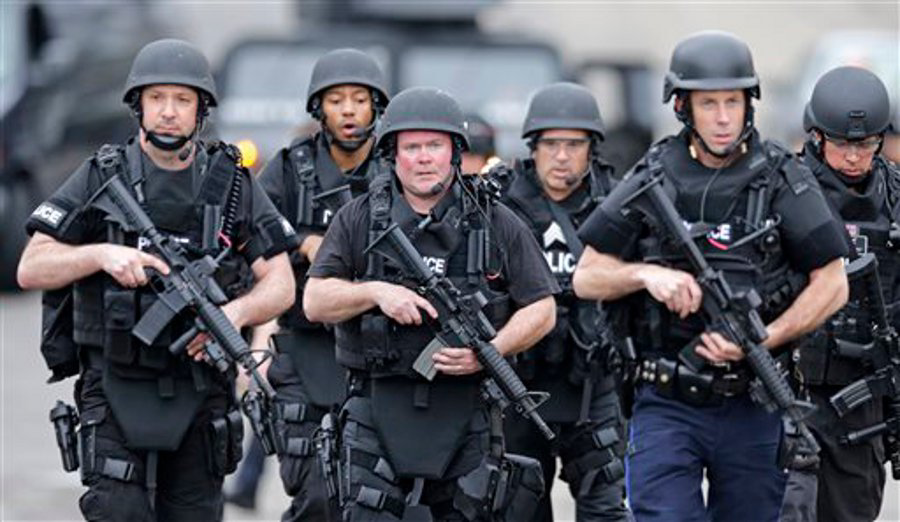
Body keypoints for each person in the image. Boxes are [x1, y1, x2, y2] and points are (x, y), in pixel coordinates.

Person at [571, 30, 850, 522]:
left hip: (752, 400)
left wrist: (764, 338)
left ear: (749, 104)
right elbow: (587, 276)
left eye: (733, 102)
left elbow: (833, 281)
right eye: (708, 103)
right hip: (667, 401)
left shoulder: (781, 176)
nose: (723, 117)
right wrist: (646, 276)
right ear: (683, 107)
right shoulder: (654, 173)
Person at [17, 38, 296, 521]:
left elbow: (282, 282)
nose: (169, 112)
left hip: (201, 389)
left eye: (182, 100)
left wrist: (236, 312)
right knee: (119, 512)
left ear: (200, 110)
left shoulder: (233, 182)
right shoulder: (102, 175)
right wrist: (102, 255)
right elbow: (31, 266)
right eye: (157, 98)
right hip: (115, 384)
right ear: (138, 106)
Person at [303, 86, 558, 521]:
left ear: (455, 153)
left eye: (435, 146)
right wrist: (375, 292)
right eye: (412, 147)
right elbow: (315, 300)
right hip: (376, 404)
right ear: (393, 155)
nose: (423, 158)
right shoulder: (360, 217)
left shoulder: (496, 220)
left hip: (467, 411)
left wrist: (491, 351)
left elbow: (542, 308)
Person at [247, 47, 389, 521]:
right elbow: (250, 237)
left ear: (376, 106)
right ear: (319, 109)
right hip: (307, 354)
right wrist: (305, 243)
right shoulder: (289, 169)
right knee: (316, 498)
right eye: (336, 100)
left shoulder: (399, 169)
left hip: (382, 354)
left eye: (359, 99)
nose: (348, 110)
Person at [500, 82, 630, 521]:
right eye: (551, 144)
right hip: (516, 383)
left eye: (573, 145)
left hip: (593, 383)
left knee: (605, 510)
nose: (561, 157)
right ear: (532, 148)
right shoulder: (499, 202)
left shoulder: (618, 201)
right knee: (516, 509)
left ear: (591, 149)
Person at [780, 65, 898, 522]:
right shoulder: (783, 187)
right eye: (843, 143)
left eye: (866, 144)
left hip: (863, 396)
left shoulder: (895, 195)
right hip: (791, 386)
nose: (854, 156)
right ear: (816, 136)